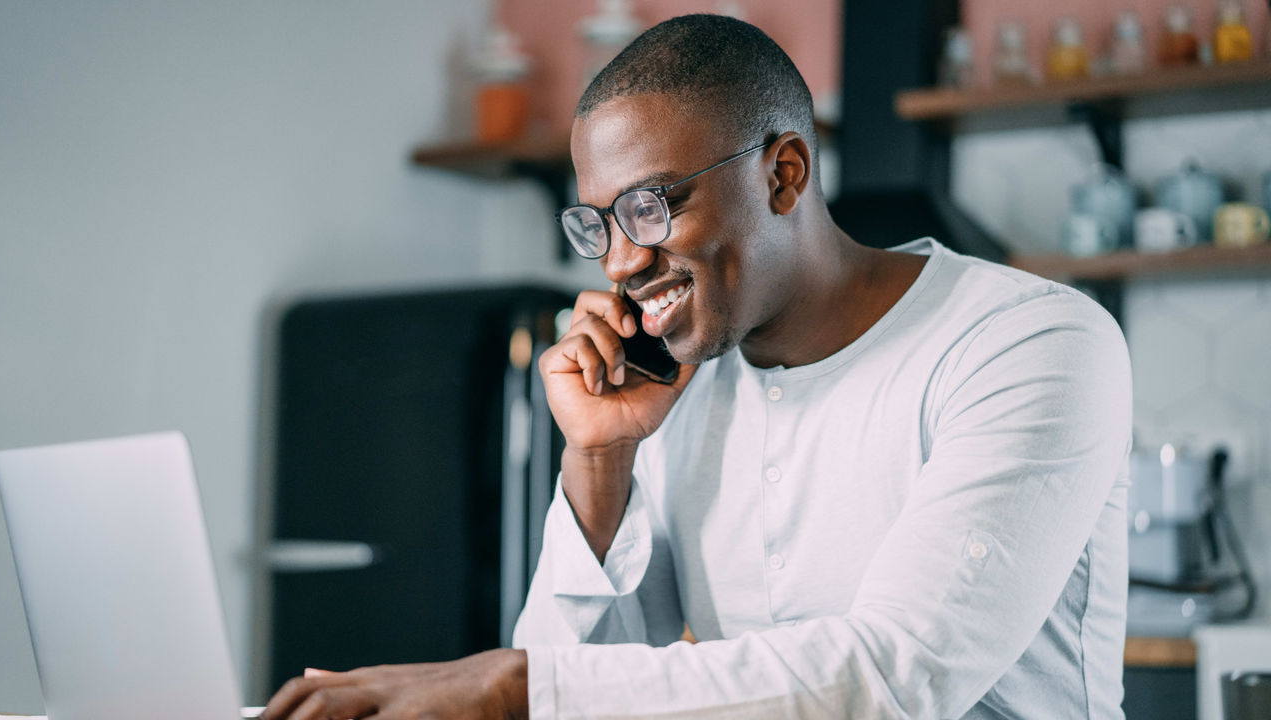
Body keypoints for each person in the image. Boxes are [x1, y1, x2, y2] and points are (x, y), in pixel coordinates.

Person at [261, 14, 1132, 720]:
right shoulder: (686, 385)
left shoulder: (1027, 344)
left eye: (649, 206)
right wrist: (599, 462)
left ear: (783, 174)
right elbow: (594, 688)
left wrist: (510, 686)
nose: (616, 265)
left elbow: (896, 678)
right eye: (598, 224)